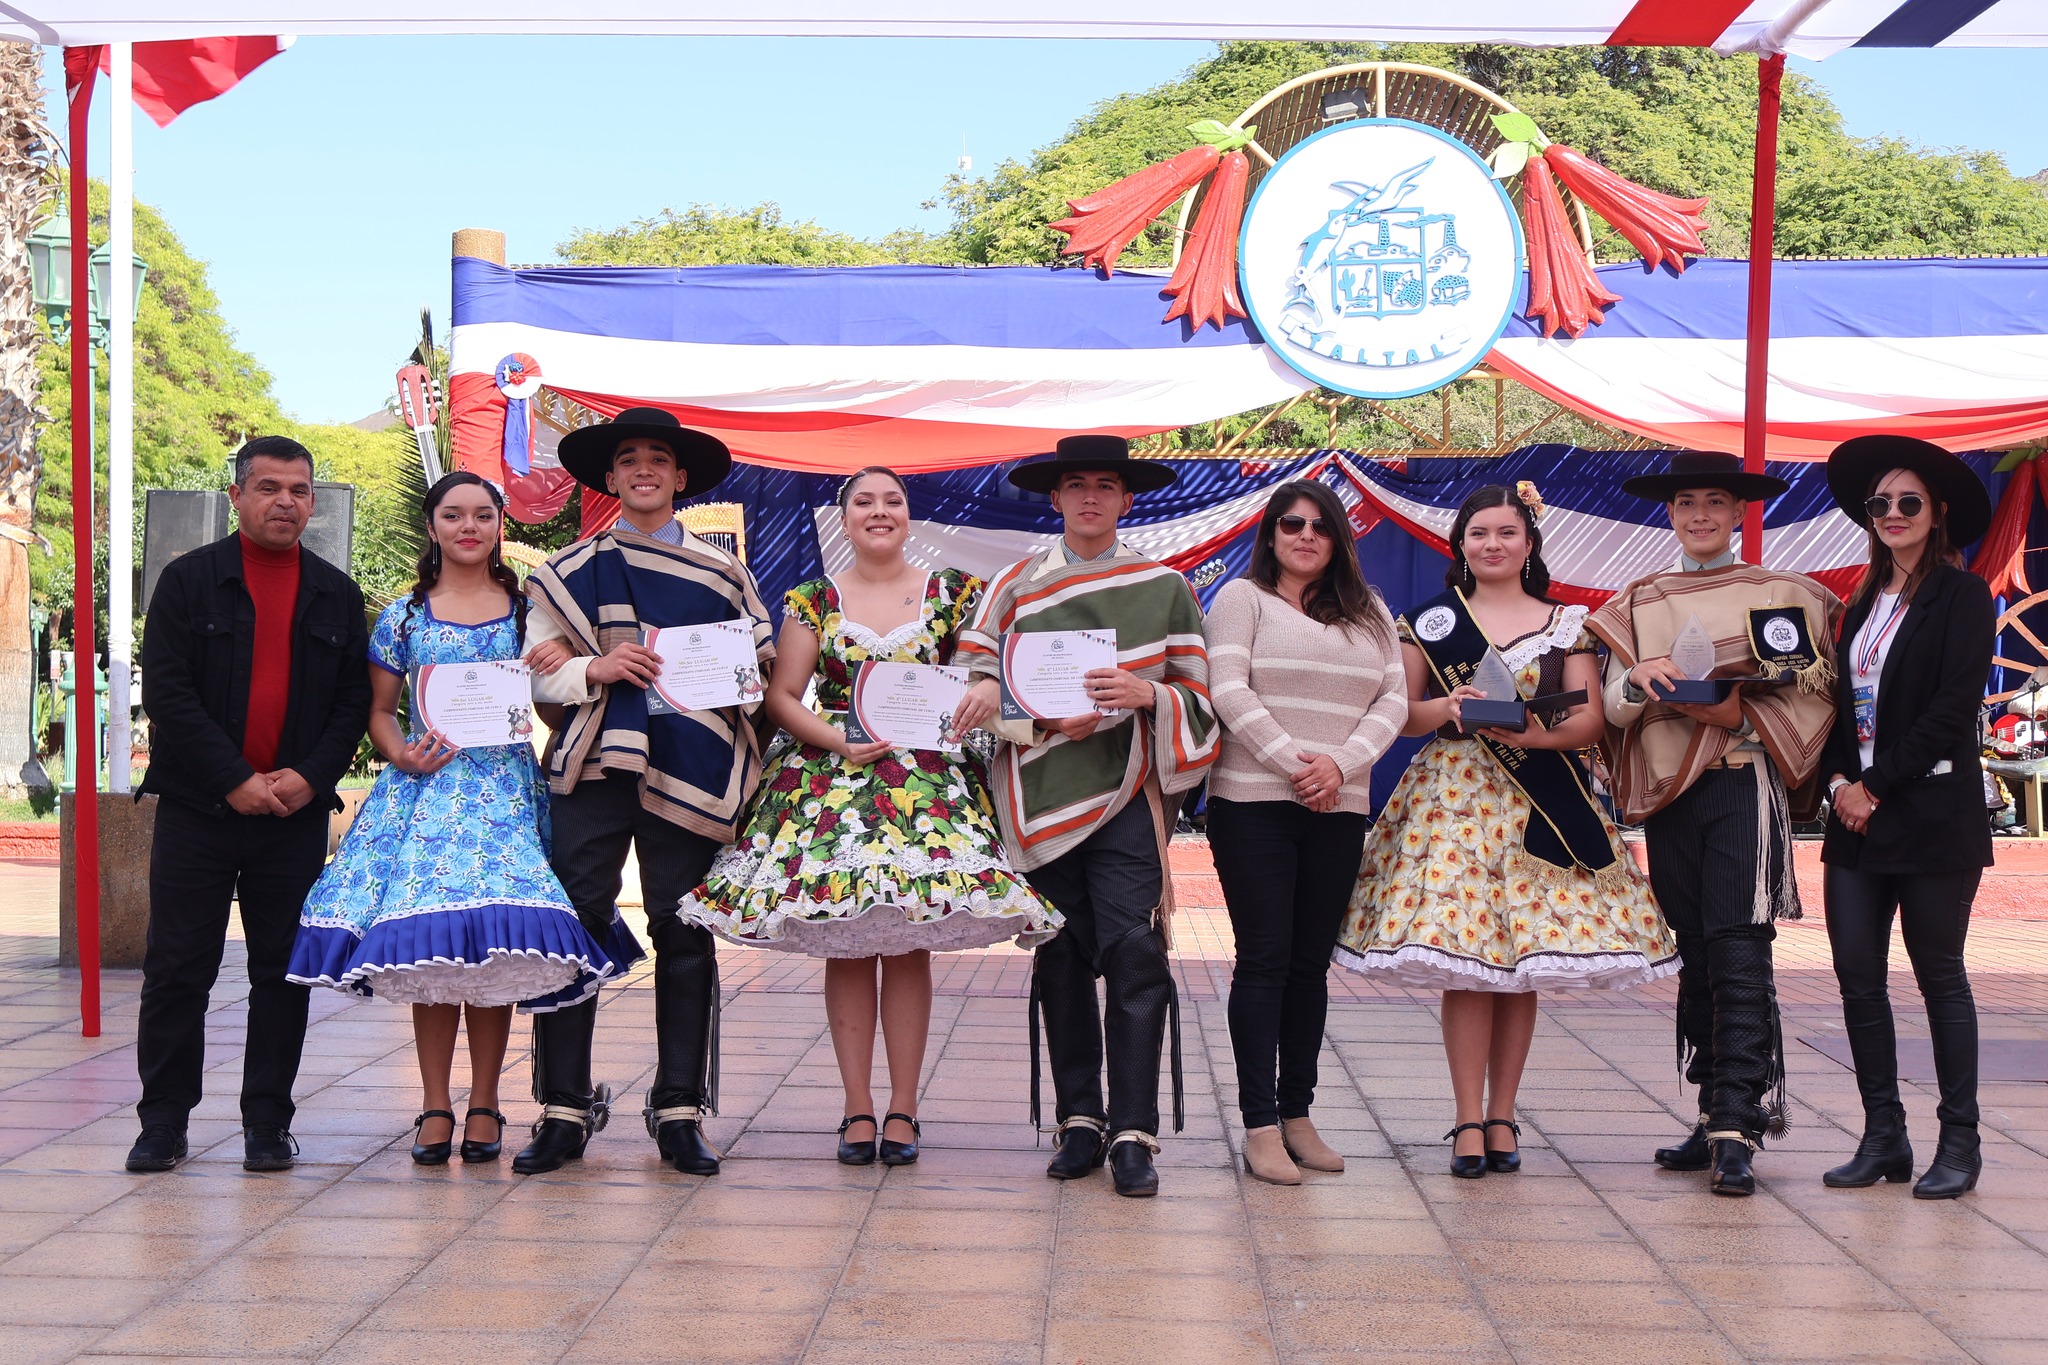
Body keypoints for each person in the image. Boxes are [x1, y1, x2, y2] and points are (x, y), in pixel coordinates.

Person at [680, 467, 1061, 1166]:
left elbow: (983, 671)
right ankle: (857, 1106)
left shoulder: (952, 594)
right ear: (845, 516)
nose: (879, 512)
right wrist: (837, 739)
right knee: (847, 939)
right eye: (865, 502)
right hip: (833, 785)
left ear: (908, 515)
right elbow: (783, 696)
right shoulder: (813, 599)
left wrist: (980, 688)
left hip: (927, 793)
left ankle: (905, 1109)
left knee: (909, 940)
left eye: (892, 501)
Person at [286, 472, 631, 1165]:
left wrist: (564, 668)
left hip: (504, 792)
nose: (468, 526)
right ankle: (435, 1102)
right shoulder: (403, 618)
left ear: (500, 523)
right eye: (453, 515)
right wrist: (401, 754)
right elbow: (379, 711)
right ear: (433, 525)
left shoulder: (528, 610)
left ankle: (486, 1102)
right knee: (431, 953)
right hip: (426, 795)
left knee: (494, 953)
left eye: (482, 514)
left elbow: (552, 709)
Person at [1333, 484, 1675, 1179]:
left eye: (1506, 533)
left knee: (1521, 971)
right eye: (1479, 533)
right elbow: (1401, 712)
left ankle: (1504, 1114)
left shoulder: (1568, 621)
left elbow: (1587, 723)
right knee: (1468, 962)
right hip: (1453, 803)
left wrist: (1524, 727)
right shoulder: (1430, 620)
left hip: (1538, 807)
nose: (1492, 544)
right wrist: (1448, 709)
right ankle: (1465, 1117)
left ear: (1528, 543)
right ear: (1459, 544)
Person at [512, 407, 775, 1178]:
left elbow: (756, 664)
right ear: (611, 477)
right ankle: (562, 1108)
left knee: (683, 927)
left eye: (658, 458)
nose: (644, 469)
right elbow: (537, 668)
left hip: (690, 762)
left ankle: (680, 1109)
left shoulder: (723, 571)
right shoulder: (567, 573)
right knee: (576, 926)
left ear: (680, 477)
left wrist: (733, 676)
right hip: (594, 764)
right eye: (628, 459)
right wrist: (595, 667)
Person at [956, 435, 1220, 1198]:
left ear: (1127, 499)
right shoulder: (1013, 586)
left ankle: (1134, 1132)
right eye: (1078, 485)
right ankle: (1080, 1119)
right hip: (1038, 796)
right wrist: (1037, 719)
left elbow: (1200, 700)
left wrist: (1148, 697)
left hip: (1127, 793)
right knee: (1062, 956)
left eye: (1107, 485)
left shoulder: (1165, 586)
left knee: (1137, 952)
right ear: (1056, 497)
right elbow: (971, 694)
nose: (1092, 497)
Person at [1588, 450, 1842, 1197]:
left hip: (1740, 783)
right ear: (1671, 514)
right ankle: (1710, 1114)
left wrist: (1742, 714)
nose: (1699, 514)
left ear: (1738, 513)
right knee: (1695, 951)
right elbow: (1610, 709)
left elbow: (1817, 695)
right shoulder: (1639, 599)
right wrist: (1638, 679)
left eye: (1715, 502)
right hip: (1671, 794)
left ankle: (1740, 1124)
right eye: (1686, 502)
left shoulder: (1785, 593)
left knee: (1738, 949)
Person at [126, 436, 372, 1174]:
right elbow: (167, 690)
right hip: (199, 812)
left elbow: (352, 701)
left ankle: (267, 1122)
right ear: (237, 496)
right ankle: (163, 1122)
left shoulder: (336, 592)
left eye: (299, 490)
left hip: (291, 818)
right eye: (268, 487)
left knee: (280, 971)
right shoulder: (188, 580)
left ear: (313, 502)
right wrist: (234, 776)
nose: (285, 502)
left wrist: (307, 775)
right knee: (177, 969)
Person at [1203, 480, 1407, 1185]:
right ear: (1270, 533)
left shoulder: (1371, 612)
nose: (1305, 535)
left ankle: (1298, 1115)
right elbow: (1228, 689)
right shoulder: (1240, 600)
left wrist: (1340, 766)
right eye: (1291, 523)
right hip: (1253, 801)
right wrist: (1297, 763)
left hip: (1338, 806)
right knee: (1264, 958)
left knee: (1308, 966)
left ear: (1339, 539)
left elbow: (1394, 699)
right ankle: (1260, 1125)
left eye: (1321, 526)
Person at [1817, 435, 1995, 1200]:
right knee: (1858, 975)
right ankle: (1882, 1133)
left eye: (1909, 502)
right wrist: (1835, 780)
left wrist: (1875, 784)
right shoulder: (1859, 600)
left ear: (1938, 513)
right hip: (1855, 818)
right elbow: (1838, 703)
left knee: (1940, 978)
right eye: (1880, 503)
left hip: (1930, 815)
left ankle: (1960, 1141)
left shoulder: (1963, 597)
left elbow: (1950, 710)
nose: (1893, 513)